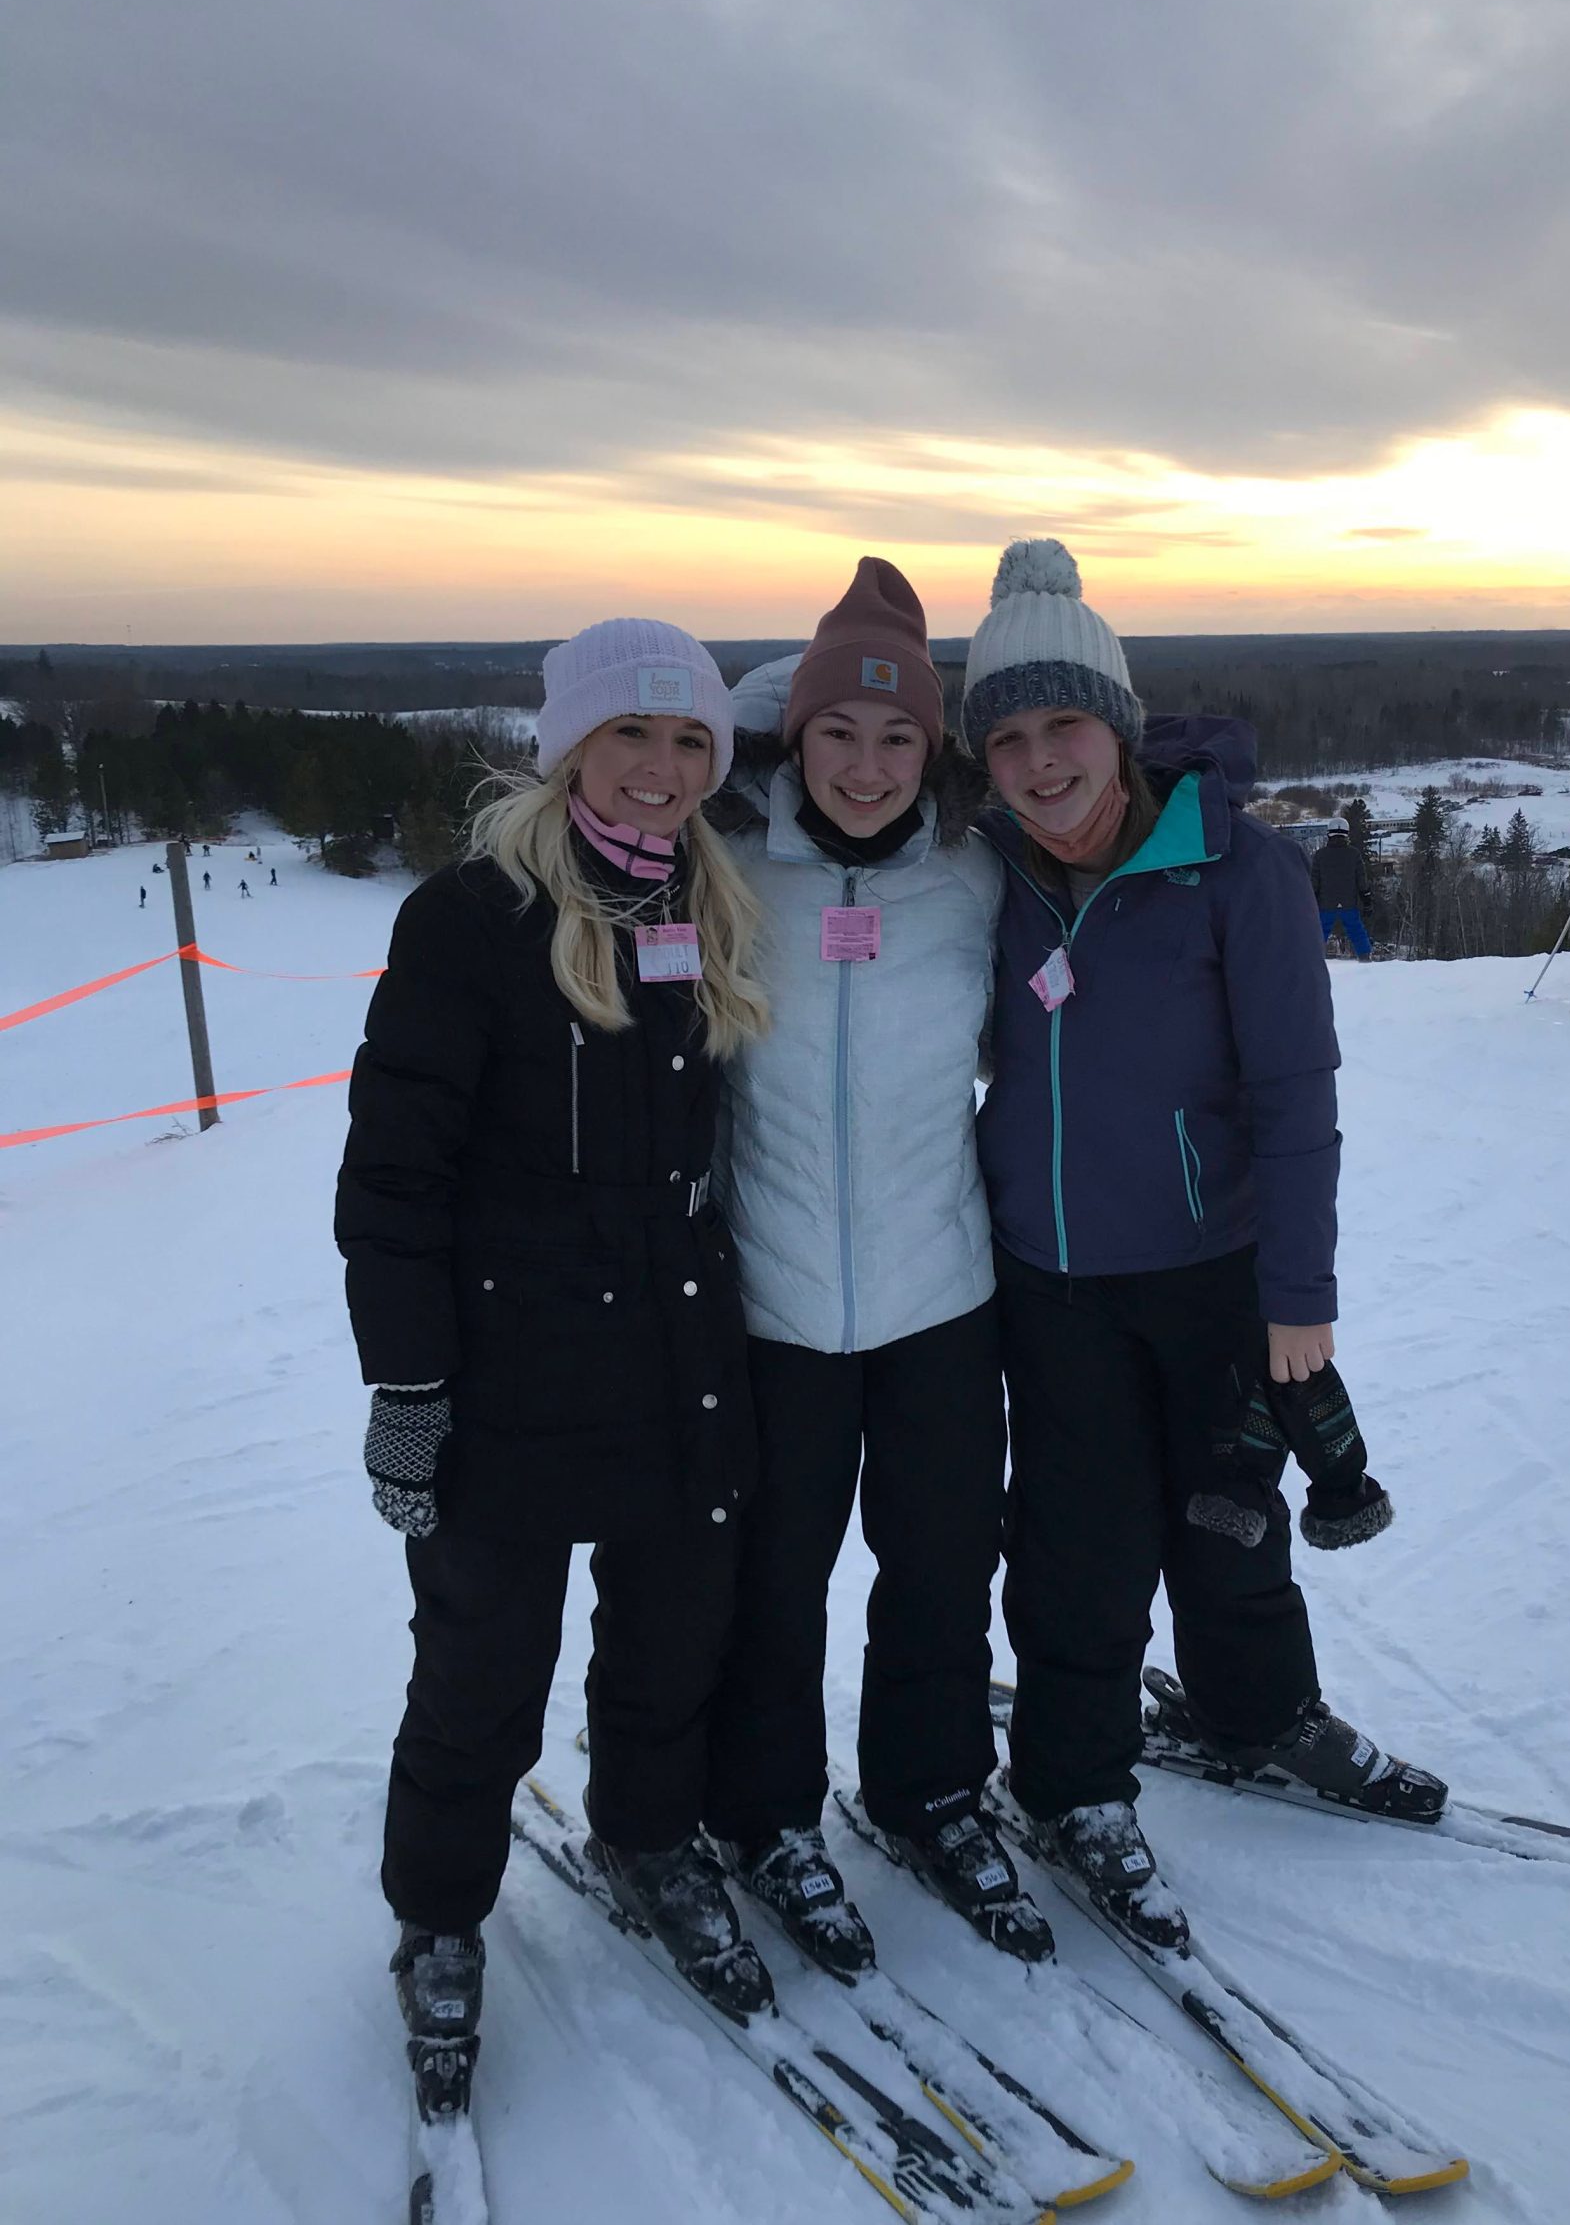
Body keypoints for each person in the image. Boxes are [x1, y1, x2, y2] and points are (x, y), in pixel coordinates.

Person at [966, 539, 1441, 1952]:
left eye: (1065, 726)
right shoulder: (978, 869)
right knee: (1078, 1542)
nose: (1042, 764)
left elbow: (1298, 1096)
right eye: (1008, 737)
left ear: (1118, 728)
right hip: (1046, 1281)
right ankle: (1071, 1787)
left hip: (1216, 1273)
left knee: (1232, 1520)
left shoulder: (1242, 869)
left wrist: (1300, 1295)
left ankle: (1255, 1714)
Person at [335, 616, 773, 2099]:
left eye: (690, 742)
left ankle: (651, 1841)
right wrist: (407, 1388)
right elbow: (394, 1174)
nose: (661, 769)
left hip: (679, 1360)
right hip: (511, 1382)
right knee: (480, 1678)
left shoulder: (714, 908)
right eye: (631, 736)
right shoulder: (472, 918)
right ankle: (440, 1919)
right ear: (570, 747)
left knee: (670, 1651)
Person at [701, 561, 1045, 1965]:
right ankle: (770, 1816)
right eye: (840, 733)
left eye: (899, 738)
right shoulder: (721, 863)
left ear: (935, 749)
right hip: (771, 1305)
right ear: (798, 734)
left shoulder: (975, 871)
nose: (866, 765)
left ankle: (931, 1791)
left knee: (942, 1566)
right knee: (775, 1580)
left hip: (939, 1300)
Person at [1309, 823, 1372, 958]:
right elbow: (1361, 881)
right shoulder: (1353, 854)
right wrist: (1367, 901)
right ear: (1346, 834)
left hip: (1325, 904)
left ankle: (1313, 959)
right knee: (1356, 931)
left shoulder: (1320, 855)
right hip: (1348, 903)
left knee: (1319, 932)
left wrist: (1309, 902)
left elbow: (1314, 882)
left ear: (1329, 834)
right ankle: (1365, 957)